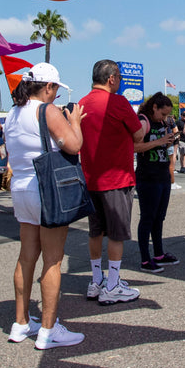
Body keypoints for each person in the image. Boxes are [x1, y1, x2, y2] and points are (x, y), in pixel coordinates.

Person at [4, 63, 85, 348]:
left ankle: (21, 322)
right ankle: (49, 330)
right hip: (46, 190)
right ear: (49, 87)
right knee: (53, 259)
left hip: (22, 189)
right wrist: (74, 120)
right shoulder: (46, 110)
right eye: (55, 91)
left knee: (26, 256)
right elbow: (74, 146)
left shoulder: (13, 113)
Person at [79, 60, 145, 305]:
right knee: (116, 233)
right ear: (112, 79)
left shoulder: (82, 103)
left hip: (90, 179)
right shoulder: (118, 102)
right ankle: (113, 284)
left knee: (95, 231)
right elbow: (138, 134)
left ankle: (97, 280)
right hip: (116, 178)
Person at [134, 93, 181, 273]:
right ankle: (145, 259)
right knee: (148, 217)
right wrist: (159, 142)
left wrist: (170, 140)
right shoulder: (143, 121)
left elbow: (162, 143)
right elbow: (133, 146)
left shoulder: (162, 122)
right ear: (154, 107)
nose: (165, 118)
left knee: (159, 217)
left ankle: (159, 253)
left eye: (168, 115)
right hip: (148, 176)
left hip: (162, 174)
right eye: (163, 114)